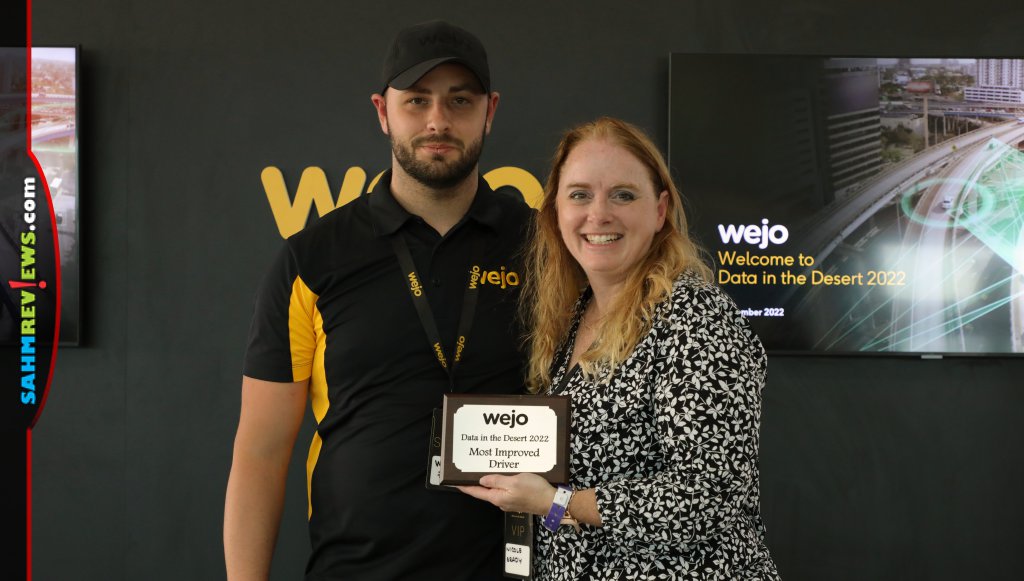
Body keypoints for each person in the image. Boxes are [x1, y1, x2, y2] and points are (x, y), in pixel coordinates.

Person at [224, 20, 533, 580]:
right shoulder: (312, 260)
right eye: (417, 101)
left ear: (489, 111)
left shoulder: (546, 250)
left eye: (459, 101)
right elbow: (261, 453)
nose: (438, 120)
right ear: (382, 111)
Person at [459, 117, 781, 579]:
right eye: (580, 195)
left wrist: (552, 501)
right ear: (554, 212)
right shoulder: (577, 315)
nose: (599, 214)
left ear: (660, 210)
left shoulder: (695, 317)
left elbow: (707, 494)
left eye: (623, 195)